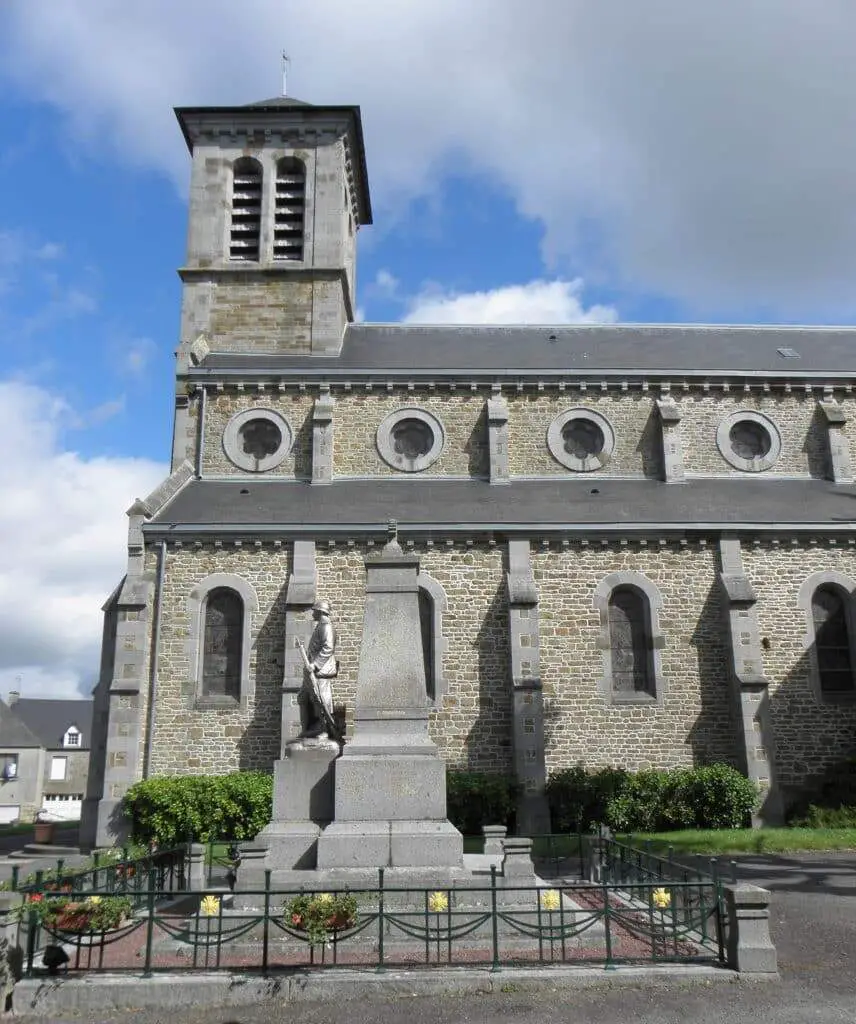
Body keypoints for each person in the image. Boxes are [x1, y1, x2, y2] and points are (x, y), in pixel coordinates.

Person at [299, 599, 338, 739]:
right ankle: (307, 730)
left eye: (315, 611)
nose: (313, 613)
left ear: (320, 611)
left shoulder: (326, 626)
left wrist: (315, 665)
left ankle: (325, 730)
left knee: (321, 700)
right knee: (303, 698)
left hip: (320, 671)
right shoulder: (320, 625)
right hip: (312, 670)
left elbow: (328, 648)